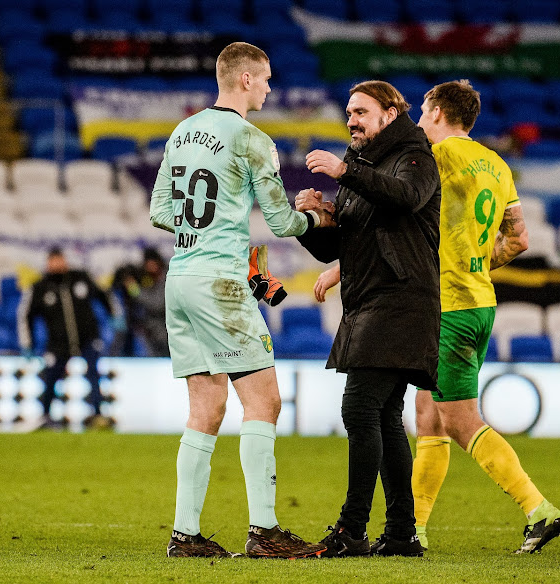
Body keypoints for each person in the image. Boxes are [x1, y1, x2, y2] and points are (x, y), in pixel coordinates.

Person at [312, 80, 560, 556]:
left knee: (458, 421)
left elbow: (399, 212)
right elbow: (518, 240)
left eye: (422, 112)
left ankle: (539, 509)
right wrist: (472, 262)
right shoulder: (497, 164)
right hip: (479, 299)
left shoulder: (436, 157)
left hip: (445, 306)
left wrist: (343, 265)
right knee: (427, 421)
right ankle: (412, 530)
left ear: (433, 111)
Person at [149, 41, 333, 559]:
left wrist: (212, 234)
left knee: (205, 408)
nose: (271, 87)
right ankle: (265, 531)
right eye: (267, 78)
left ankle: (184, 535)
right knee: (265, 401)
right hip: (220, 283)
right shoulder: (254, 140)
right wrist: (317, 218)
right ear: (246, 80)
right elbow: (280, 223)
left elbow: (161, 210)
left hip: (181, 278)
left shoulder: (183, 131)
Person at [295, 80, 441, 558]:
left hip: (400, 302)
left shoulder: (414, 155)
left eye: (361, 111)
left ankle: (351, 530)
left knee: (360, 410)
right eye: (348, 112)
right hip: (373, 302)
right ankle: (401, 533)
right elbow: (344, 245)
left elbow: (405, 198)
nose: (352, 120)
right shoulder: (363, 165)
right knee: (384, 416)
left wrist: (344, 172)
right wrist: (316, 219)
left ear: (391, 112)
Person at [17, 247, 115, 429]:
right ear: (48, 263)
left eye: (60, 259)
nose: (57, 264)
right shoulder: (40, 287)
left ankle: (98, 415)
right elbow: (26, 315)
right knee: (51, 377)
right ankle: (45, 416)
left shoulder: (81, 278)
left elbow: (104, 295)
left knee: (93, 374)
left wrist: (115, 315)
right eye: (53, 260)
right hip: (58, 343)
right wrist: (27, 344)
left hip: (88, 338)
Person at [111, 247, 169, 357]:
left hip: (164, 333)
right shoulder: (148, 277)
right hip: (152, 333)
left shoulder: (167, 278)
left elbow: (157, 304)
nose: (148, 268)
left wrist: (134, 290)